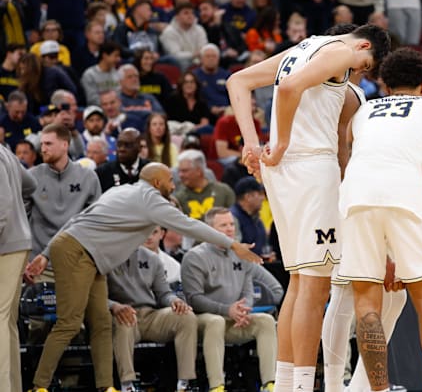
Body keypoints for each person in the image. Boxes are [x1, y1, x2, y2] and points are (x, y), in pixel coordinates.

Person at [227, 23, 390, 391]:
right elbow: (287, 89)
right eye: (365, 65)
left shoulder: (304, 48)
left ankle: (287, 384)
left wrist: (254, 145)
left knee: (300, 284)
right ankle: (302, 385)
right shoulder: (341, 52)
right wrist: (280, 142)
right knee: (315, 288)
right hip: (310, 168)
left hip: (285, 175)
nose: (359, 73)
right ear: (363, 45)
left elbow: (238, 81)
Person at [24, 162, 262, 392]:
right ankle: (40, 385)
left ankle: (105, 385)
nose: (173, 183)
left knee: (102, 324)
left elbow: (78, 218)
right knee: (70, 322)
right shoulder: (151, 199)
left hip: (87, 254)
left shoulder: (121, 190)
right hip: (76, 251)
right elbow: (189, 225)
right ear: (157, 182)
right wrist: (232, 244)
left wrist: (45, 254)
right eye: (170, 180)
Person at [335, 48, 422, 392]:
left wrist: (385, 253)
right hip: (404, 197)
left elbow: (353, 165)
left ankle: (379, 390)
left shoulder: (362, 112)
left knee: (366, 301)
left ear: (385, 85)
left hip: (355, 199)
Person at [182, 207, 282, 392]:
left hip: (234, 320)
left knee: (266, 321)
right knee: (216, 321)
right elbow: (194, 299)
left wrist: (244, 310)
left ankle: (270, 384)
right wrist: (226, 310)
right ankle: (217, 386)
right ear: (209, 229)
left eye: (231, 224)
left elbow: (248, 290)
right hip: (203, 320)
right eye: (223, 225)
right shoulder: (194, 256)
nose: (230, 229)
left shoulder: (241, 253)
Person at [107, 245, 197, 392]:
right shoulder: (103, 256)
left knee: (186, 316)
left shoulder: (152, 258)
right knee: (123, 321)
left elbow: (163, 294)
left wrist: (174, 301)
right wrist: (114, 306)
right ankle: (127, 385)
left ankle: (184, 383)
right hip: (121, 314)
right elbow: (94, 297)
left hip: (150, 315)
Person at [28, 123, 103, 280]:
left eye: (48, 144)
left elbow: (94, 223)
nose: (43, 149)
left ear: (64, 145)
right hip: (39, 265)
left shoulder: (88, 177)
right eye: (41, 144)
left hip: (78, 262)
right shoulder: (31, 177)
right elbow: (21, 220)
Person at [0, 143, 36, 392]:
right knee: (8, 320)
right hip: (17, 241)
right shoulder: (5, 152)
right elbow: (30, 184)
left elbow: (1, 208)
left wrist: (11, 222)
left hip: (5, 243)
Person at [175, 149, 235, 219]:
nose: (180, 175)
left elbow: (234, 220)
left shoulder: (223, 191)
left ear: (199, 171)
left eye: (185, 171)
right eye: (179, 171)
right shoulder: (179, 198)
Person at [95, 128, 149, 192]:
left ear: (139, 148)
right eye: (119, 145)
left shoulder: (150, 170)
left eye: (127, 145)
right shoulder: (102, 172)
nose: (122, 149)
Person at [159, 2, 208, 71]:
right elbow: (175, 54)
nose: (190, 16)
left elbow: (204, 49)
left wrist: (200, 54)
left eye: (192, 13)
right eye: (186, 13)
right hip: (179, 64)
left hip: (199, 61)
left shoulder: (199, 29)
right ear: (177, 17)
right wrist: (193, 54)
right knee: (183, 62)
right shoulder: (169, 32)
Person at [80, 41, 122, 106]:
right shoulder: (89, 75)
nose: (119, 59)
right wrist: (110, 104)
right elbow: (92, 99)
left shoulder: (118, 73)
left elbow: (120, 95)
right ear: (105, 56)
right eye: (116, 56)